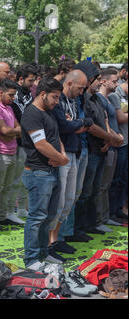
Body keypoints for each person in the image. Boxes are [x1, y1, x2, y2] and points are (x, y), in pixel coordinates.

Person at [20, 77, 69, 270]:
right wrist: (62, 159)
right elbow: (40, 144)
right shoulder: (32, 114)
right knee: (36, 217)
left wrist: (61, 156)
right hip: (38, 172)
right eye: (54, 97)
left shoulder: (48, 112)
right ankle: (32, 259)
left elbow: (55, 137)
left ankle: (43, 253)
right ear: (42, 94)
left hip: (51, 170)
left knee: (48, 217)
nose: (57, 102)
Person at [74, 62, 123, 241]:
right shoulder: (83, 99)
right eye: (96, 79)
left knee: (94, 190)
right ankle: (78, 228)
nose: (99, 82)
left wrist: (109, 140)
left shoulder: (96, 99)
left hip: (102, 148)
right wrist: (109, 138)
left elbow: (104, 120)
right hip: (92, 149)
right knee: (84, 192)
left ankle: (90, 224)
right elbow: (90, 125)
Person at [49, 70, 91, 260]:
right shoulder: (59, 102)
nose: (82, 92)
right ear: (69, 83)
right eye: (80, 88)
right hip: (63, 154)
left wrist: (77, 123)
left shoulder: (74, 101)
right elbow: (64, 126)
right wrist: (79, 123)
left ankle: (56, 238)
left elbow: (75, 125)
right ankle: (50, 241)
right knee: (58, 201)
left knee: (70, 199)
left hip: (75, 151)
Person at [0, 79, 21, 229]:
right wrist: (10, 132)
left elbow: (16, 129)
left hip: (12, 151)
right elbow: (5, 130)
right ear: (1, 92)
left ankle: (2, 216)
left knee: (7, 187)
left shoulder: (9, 107)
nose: (13, 98)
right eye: (11, 95)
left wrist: (10, 132)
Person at [95, 68, 125, 230]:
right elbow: (102, 124)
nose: (117, 84)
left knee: (106, 184)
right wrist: (112, 138)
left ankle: (105, 217)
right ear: (104, 81)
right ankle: (99, 220)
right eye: (114, 81)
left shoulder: (108, 98)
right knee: (101, 185)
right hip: (106, 147)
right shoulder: (100, 99)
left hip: (113, 146)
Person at [9, 64, 38, 222]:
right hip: (19, 141)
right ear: (21, 79)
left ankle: (22, 208)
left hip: (30, 141)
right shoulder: (16, 95)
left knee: (26, 178)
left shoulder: (28, 94)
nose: (33, 84)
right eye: (30, 80)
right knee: (16, 179)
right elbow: (21, 116)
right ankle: (10, 210)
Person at [108, 80, 128, 223]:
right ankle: (111, 212)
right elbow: (120, 118)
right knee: (116, 180)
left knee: (123, 180)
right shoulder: (115, 95)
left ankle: (118, 209)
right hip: (119, 143)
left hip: (125, 142)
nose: (115, 84)